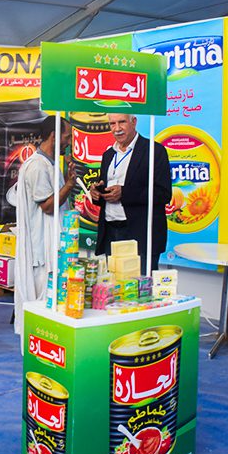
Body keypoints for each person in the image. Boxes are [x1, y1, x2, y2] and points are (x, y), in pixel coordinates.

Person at [11, 116, 76, 334]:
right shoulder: (38, 166)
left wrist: (66, 179)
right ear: (54, 136)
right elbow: (48, 206)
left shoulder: (50, 163)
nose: (69, 142)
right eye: (67, 137)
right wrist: (69, 184)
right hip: (40, 251)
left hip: (51, 246)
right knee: (42, 303)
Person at [90, 114, 171, 270]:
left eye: (122, 122)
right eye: (112, 124)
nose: (117, 129)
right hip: (111, 231)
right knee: (114, 282)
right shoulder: (108, 155)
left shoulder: (154, 151)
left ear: (134, 122)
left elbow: (163, 193)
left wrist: (124, 193)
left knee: (140, 283)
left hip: (140, 234)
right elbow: (104, 187)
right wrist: (97, 194)